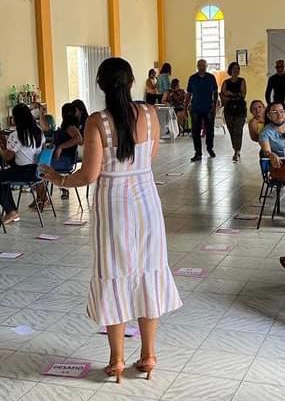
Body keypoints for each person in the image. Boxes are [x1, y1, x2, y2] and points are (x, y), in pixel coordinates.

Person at [40, 57, 182, 383]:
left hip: (113, 205)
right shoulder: (149, 113)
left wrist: (58, 179)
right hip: (146, 202)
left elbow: (89, 174)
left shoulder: (96, 122)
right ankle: (148, 355)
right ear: (132, 81)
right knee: (148, 273)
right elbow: (150, 155)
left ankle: (117, 361)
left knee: (114, 274)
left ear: (100, 85)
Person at [0, 104, 44, 225]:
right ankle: (13, 211)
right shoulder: (39, 132)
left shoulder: (16, 134)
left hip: (25, 172)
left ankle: (11, 211)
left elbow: (8, 157)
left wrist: (0, 148)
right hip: (38, 171)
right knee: (5, 176)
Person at [186, 59, 219, 162]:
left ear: (206, 66)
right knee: (195, 132)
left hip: (208, 108)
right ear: (197, 66)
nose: (202, 67)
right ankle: (198, 153)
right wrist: (185, 106)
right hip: (196, 108)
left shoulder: (211, 78)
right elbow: (189, 94)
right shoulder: (192, 78)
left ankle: (210, 148)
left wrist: (214, 105)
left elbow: (215, 92)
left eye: (203, 65)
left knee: (210, 130)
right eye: (200, 65)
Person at [53, 103, 83, 199]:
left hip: (65, 161)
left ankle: (42, 197)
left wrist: (60, 147)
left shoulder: (70, 127)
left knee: (40, 166)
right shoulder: (67, 127)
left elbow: (79, 139)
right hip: (61, 159)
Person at [220, 61, 247, 162]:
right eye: (234, 68)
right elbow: (223, 94)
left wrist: (230, 94)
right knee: (231, 130)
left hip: (239, 109)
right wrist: (233, 95)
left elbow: (243, 94)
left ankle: (237, 151)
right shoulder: (226, 82)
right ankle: (235, 148)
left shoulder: (242, 80)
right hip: (229, 110)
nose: (236, 70)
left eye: (237, 68)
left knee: (238, 130)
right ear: (230, 70)